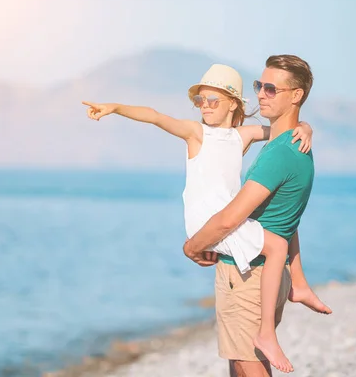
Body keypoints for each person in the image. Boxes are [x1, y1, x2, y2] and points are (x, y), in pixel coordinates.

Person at [83, 63, 327, 374]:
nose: (205, 107)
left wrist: (306, 127)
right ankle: (291, 297)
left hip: (228, 222)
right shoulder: (196, 133)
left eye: (213, 101)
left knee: (277, 246)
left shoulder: (243, 136)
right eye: (201, 101)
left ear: (233, 104)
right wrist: (114, 108)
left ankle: (277, 318)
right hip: (210, 223)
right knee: (277, 246)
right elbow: (156, 116)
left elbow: (281, 130)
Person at [183, 55, 331, 377]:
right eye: (258, 86)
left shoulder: (279, 153)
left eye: (270, 88)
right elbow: (284, 219)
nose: (261, 94)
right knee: (244, 364)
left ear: (296, 96)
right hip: (270, 278)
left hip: (249, 277)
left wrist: (192, 247)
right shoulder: (295, 145)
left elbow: (228, 219)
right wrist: (306, 125)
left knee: (248, 367)